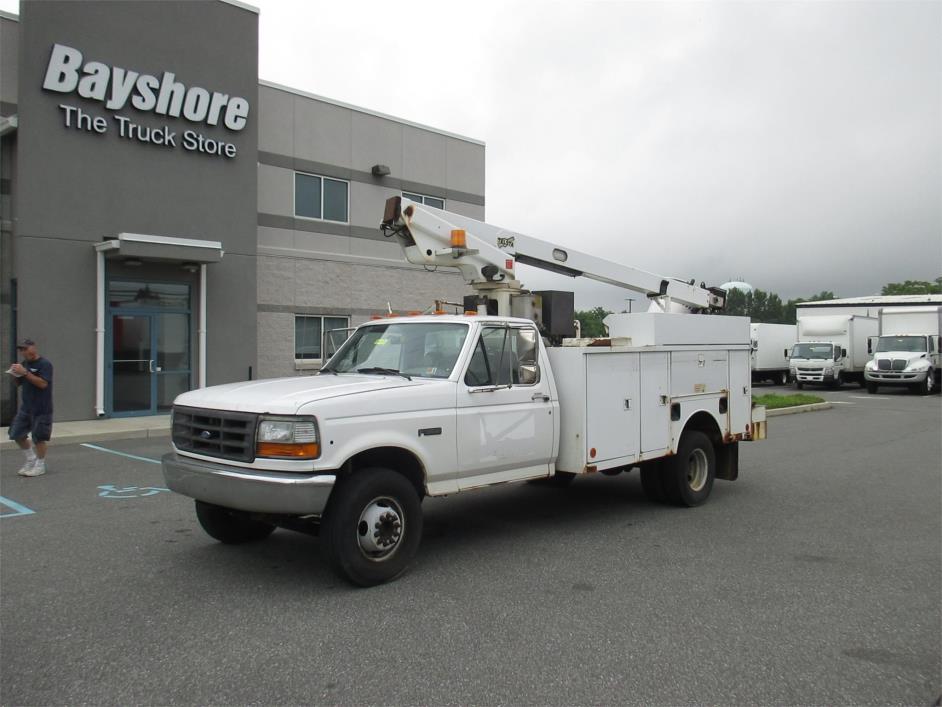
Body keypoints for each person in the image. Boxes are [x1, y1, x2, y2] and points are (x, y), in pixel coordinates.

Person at [7, 338, 54, 477]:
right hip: (26, 407)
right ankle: (30, 459)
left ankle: (40, 465)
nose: (23, 352)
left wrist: (25, 373)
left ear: (33, 348)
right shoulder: (25, 364)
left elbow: (43, 384)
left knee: (39, 438)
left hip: (42, 409)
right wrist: (14, 374)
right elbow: (18, 384)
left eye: (25, 349)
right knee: (16, 434)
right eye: (21, 350)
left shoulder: (45, 364)